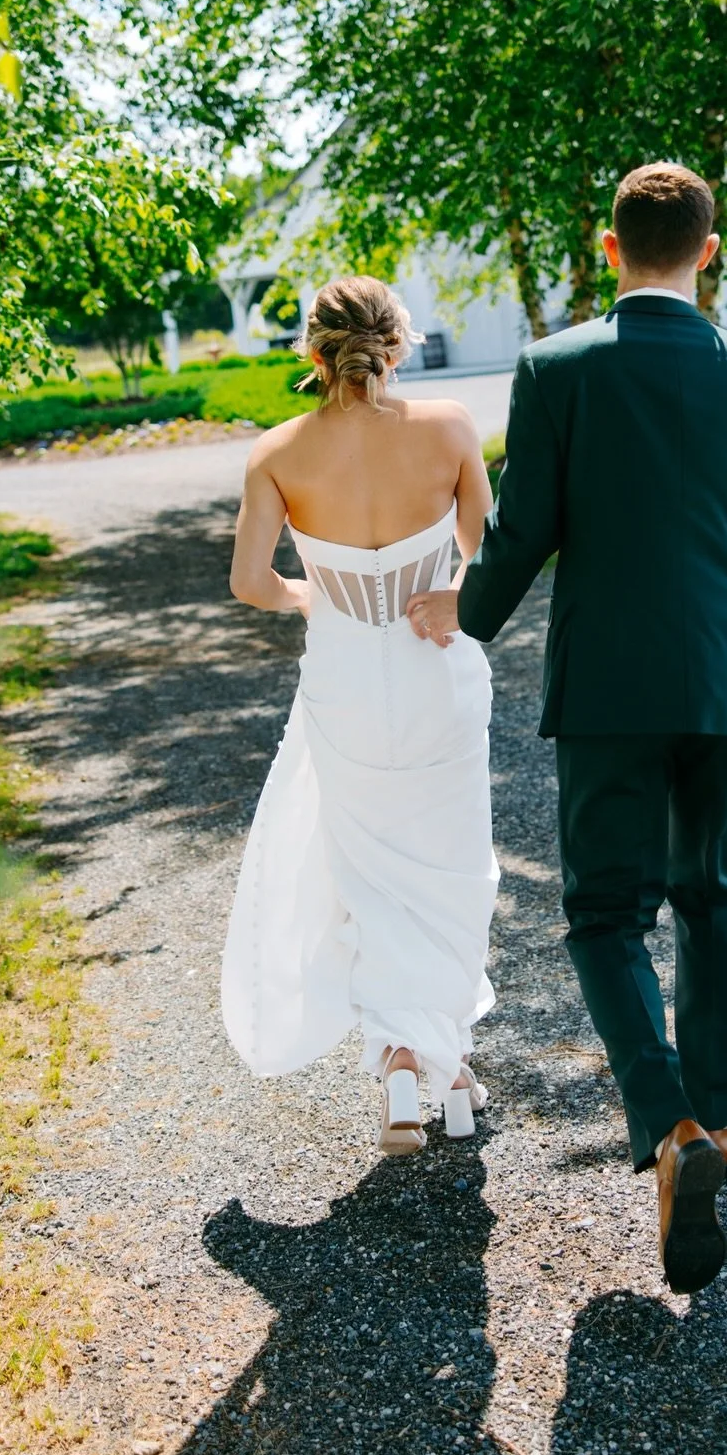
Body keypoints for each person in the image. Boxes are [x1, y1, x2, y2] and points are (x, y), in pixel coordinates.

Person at [408, 163, 727, 1294]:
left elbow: (525, 524)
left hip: (606, 688)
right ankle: (718, 1118)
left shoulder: (557, 367)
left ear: (609, 248)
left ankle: (671, 1122)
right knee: (711, 892)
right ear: (710, 250)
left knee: (603, 913)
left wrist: (462, 615)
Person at [221, 276, 499, 1156]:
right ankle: (439, 1064)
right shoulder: (449, 427)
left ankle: (412, 1062)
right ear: (398, 344)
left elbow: (250, 583)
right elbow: (486, 555)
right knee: (452, 871)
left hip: (344, 682)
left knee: (371, 879)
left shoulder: (277, 451)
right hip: (437, 671)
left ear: (313, 354)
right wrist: (452, 595)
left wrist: (312, 596)